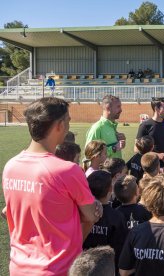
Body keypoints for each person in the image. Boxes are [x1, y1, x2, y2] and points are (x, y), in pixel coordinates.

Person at [2, 97, 103, 275]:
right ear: (59, 125)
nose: (69, 126)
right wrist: (97, 206)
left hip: (18, 267)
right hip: (57, 268)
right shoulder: (67, 170)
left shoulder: (11, 166)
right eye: (68, 120)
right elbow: (90, 215)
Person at [83, 170, 128, 272]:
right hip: (107, 268)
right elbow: (121, 248)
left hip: (83, 266)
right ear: (110, 189)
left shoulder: (80, 212)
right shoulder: (117, 217)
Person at [136, 97, 164, 167]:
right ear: (156, 109)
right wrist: (157, 155)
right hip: (152, 165)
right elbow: (136, 149)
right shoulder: (145, 125)